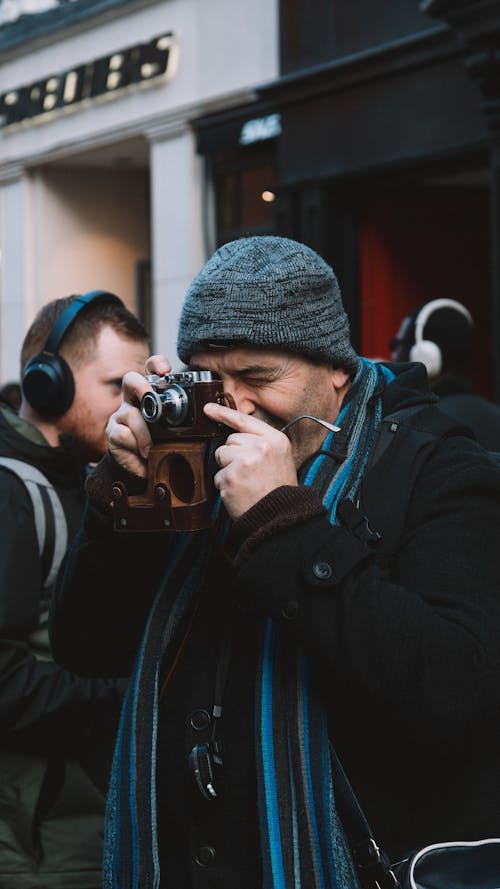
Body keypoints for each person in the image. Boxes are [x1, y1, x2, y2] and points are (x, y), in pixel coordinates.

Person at [50, 239, 500, 889]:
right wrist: (123, 498)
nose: (235, 410)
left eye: (259, 378)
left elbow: (456, 690)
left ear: (336, 371)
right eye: (211, 379)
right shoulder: (192, 469)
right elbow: (86, 645)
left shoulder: (441, 472)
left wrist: (287, 526)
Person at [0, 291, 149, 889]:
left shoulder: (91, 482)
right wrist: (132, 702)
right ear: (47, 385)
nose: (132, 405)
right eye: (116, 386)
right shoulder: (14, 494)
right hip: (37, 845)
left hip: (81, 829)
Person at [390, 297, 500, 450]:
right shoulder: (494, 416)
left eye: (396, 345)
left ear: (423, 355)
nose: (393, 356)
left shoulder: (417, 425)